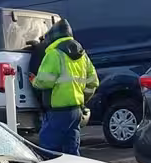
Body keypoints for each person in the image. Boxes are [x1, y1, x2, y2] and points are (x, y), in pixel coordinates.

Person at [29, 19, 99, 155]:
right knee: (71, 150)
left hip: (57, 112)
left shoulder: (54, 54)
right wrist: (83, 99)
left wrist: (34, 80)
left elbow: (44, 82)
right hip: (75, 111)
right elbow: (93, 82)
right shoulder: (82, 55)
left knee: (49, 150)